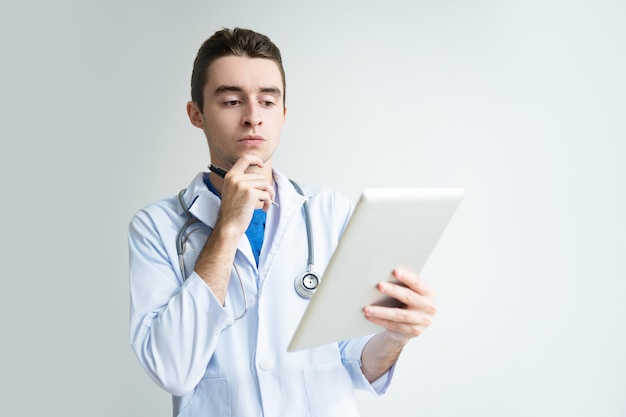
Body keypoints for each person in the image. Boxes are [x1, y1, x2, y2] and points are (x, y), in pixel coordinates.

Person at [128, 27, 437, 417]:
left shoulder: (327, 211)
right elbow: (172, 370)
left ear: (284, 114)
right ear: (197, 114)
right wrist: (226, 229)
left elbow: (355, 361)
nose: (253, 118)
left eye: (268, 102)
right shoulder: (156, 228)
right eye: (231, 101)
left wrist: (395, 336)